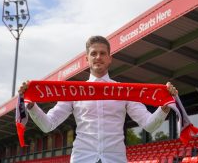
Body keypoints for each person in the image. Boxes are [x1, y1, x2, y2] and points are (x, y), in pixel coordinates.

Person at [19, 35, 178, 163]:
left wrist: (164, 107)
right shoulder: (73, 92)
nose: (98, 57)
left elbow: (149, 125)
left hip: (115, 159)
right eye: (93, 53)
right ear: (86, 59)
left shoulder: (125, 91)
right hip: (82, 158)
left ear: (110, 58)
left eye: (103, 53)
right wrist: (32, 106)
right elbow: (48, 125)